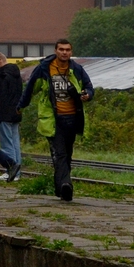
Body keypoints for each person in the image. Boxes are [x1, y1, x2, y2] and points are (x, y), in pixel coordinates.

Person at [19, 38, 94, 201]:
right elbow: (31, 88)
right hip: (53, 119)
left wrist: (88, 95)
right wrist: (19, 107)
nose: (64, 52)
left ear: (71, 52)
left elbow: (88, 86)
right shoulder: (44, 69)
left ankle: (59, 187)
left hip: (73, 118)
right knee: (60, 153)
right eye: (61, 49)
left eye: (67, 50)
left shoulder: (77, 69)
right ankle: (66, 185)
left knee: (67, 154)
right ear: (55, 51)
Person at [0, 51, 23, 182]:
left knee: (6, 142)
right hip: (16, 112)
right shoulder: (16, 74)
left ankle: (10, 170)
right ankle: (18, 172)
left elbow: (1, 96)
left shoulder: (3, 75)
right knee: (15, 142)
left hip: (4, 113)